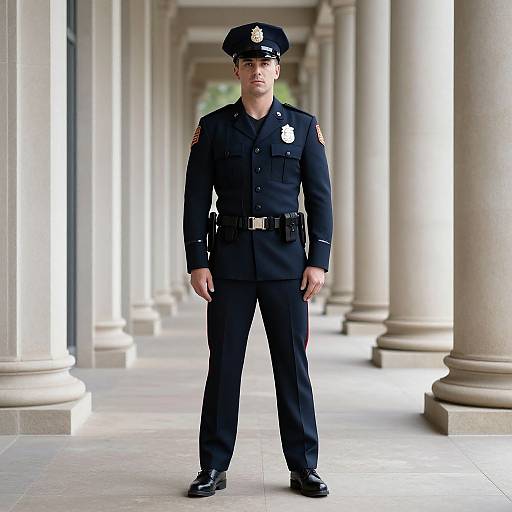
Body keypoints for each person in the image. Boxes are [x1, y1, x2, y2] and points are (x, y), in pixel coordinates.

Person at [183, 22, 333, 498]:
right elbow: (193, 200)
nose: (257, 71)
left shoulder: (303, 127)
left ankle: (303, 466)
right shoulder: (214, 128)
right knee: (224, 366)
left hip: (287, 265)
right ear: (237, 70)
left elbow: (320, 199)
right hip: (227, 265)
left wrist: (319, 260)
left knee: (292, 367)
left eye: (265, 63)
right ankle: (212, 465)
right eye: (248, 64)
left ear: (277, 68)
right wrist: (196, 259)